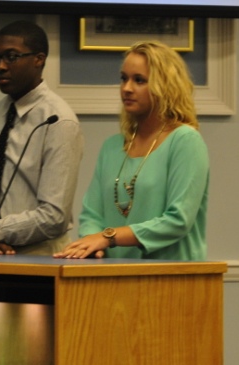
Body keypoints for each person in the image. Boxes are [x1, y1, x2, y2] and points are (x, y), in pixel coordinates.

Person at [54, 40, 209, 260]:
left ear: (165, 86)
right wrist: (92, 244)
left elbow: (178, 220)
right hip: (113, 276)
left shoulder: (185, 141)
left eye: (139, 80)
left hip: (174, 279)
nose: (126, 88)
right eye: (123, 78)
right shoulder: (111, 147)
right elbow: (91, 214)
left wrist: (108, 237)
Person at [0, 20, 83, 256]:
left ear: (39, 59)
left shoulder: (59, 121)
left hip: (41, 256)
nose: (0, 66)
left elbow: (54, 217)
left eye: (11, 57)